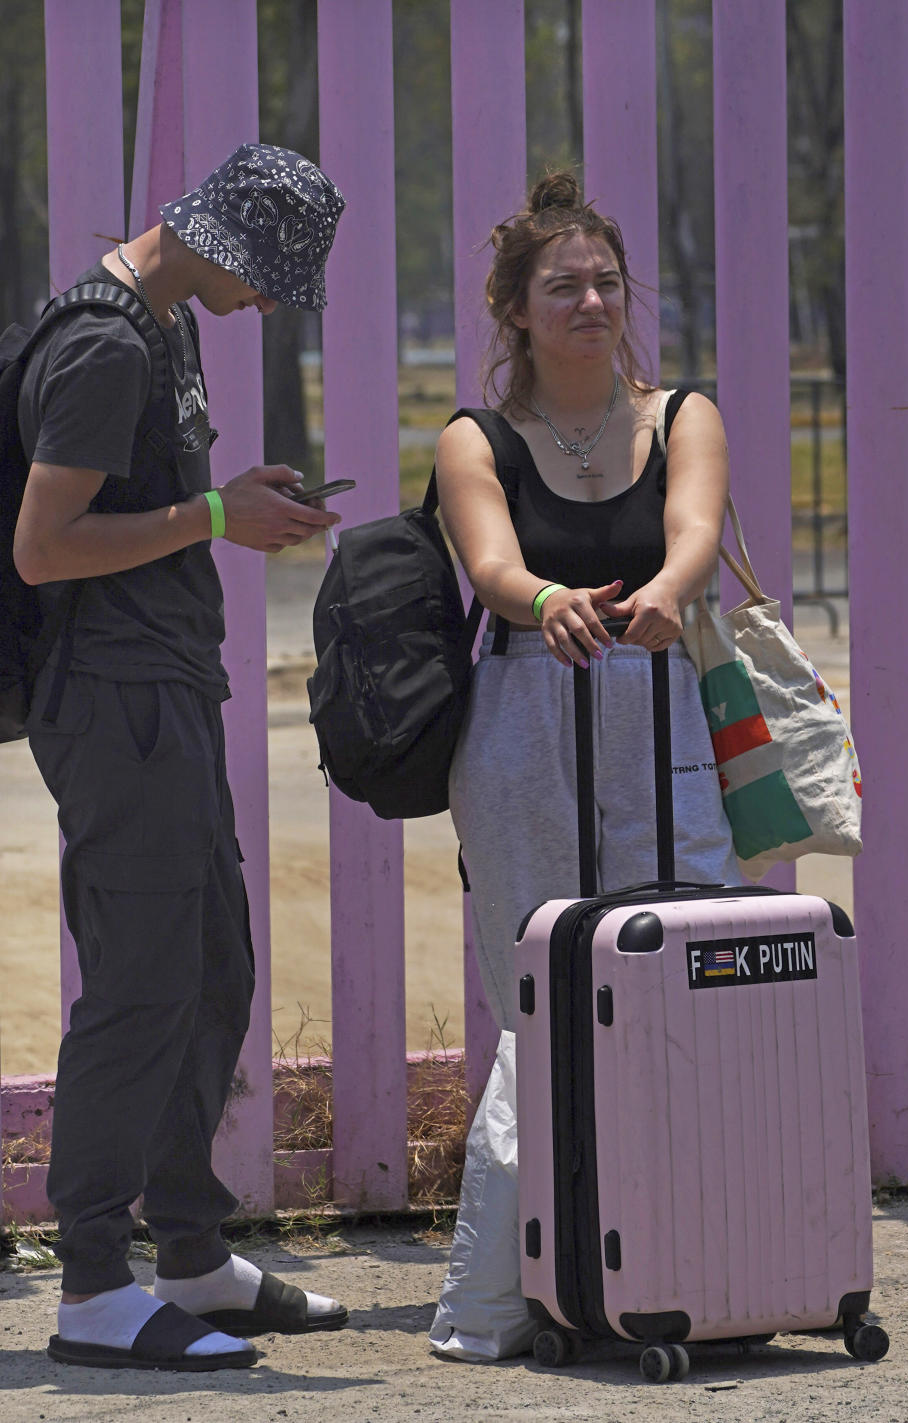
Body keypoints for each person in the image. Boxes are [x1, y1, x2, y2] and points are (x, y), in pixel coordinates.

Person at [14, 144, 348, 1372]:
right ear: (217, 242)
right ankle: (94, 1285)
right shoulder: (106, 344)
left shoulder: (166, 322)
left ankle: (191, 1253)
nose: (266, 303)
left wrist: (233, 500)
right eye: (266, 278)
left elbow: (142, 506)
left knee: (210, 964)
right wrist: (215, 516)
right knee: (143, 984)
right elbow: (45, 548)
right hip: (115, 702)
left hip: (168, 686)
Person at [428, 172, 739, 1361]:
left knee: (686, 971)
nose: (593, 301)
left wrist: (664, 591)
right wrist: (549, 599)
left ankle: (692, 1260)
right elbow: (494, 563)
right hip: (524, 720)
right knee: (543, 993)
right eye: (564, 286)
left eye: (607, 281)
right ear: (516, 310)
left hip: (660, 712)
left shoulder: (680, 415)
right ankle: (498, 1301)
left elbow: (695, 534)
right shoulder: (478, 437)